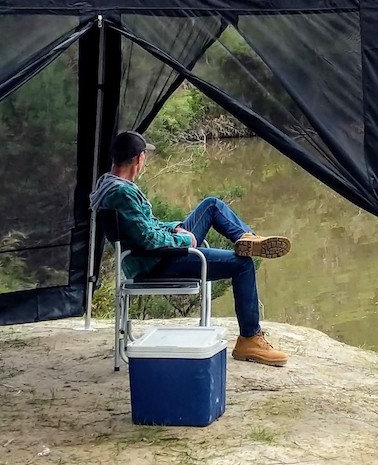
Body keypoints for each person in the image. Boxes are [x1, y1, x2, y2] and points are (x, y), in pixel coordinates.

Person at [91, 130, 294, 366]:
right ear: (139, 159)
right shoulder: (122, 193)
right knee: (242, 265)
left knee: (211, 205)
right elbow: (147, 239)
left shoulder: (109, 184)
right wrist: (185, 241)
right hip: (157, 262)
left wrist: (175, 227)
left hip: (156, 255)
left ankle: (247, 238)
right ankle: (249, 339)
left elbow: (146, 227)